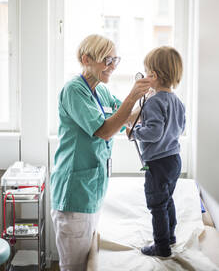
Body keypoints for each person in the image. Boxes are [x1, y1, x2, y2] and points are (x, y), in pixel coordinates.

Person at [50, 34, 151, 271]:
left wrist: (154, 97)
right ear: (86, 59)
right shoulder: (74, 90)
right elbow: (105, 131)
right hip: (74, 194)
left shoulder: (102, 92)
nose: (113, 65)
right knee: (74, 267)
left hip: (93, 190)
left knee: (88, 263)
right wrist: (132, 96)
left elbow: (126, 117)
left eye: (116, 59)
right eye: (107, 59)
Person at [126, 46, 186, 258]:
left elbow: (153, 133)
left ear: (154, 75)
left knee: (156, 204)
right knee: (167, 199)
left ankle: (162, 246)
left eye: (146, 72)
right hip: (174, 160)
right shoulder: (177, 101)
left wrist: (135, 132)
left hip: (158, 163)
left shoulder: (153, 102)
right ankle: (170, 236)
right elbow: (180, 127)